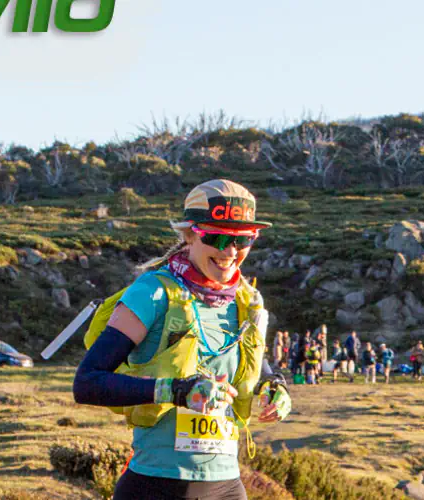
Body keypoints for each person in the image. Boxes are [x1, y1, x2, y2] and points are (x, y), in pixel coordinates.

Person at [72, 180, 290, 500]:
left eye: (242, 239)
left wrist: (275, 383)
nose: (230, 252)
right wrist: (175, 391)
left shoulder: (246, 300)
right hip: (155, 485)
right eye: (216, 236)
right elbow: (87, 383)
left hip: (226, 486)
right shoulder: (153, 293)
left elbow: (242, 357)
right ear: (189, 234)